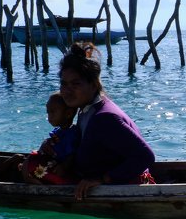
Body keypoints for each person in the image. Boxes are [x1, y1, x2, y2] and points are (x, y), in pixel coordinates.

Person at [59, 42, 155, 200]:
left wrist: (102, 179)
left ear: (93, 85)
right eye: (63, 84)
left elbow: (145, 156)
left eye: (75, 84)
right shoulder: (86, 109)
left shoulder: (104, 118)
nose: (67, 91)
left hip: (127, 194)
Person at [19, 92, 81, 185]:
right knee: (31, 157)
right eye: (48, 112)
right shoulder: (60, 130)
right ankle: (28, 174)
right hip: (54, 163)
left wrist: (64, 167)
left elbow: (72, 154)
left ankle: (35, 183)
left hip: (62, 172)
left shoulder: (71, 134)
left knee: (31, 159)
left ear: (68, 113)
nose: (49, 117)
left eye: (52, 112)